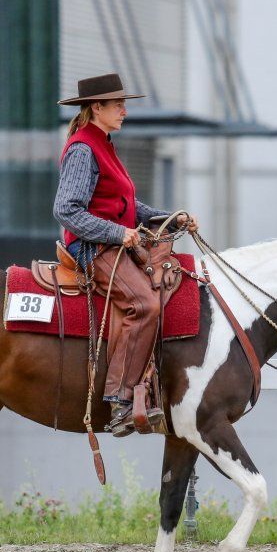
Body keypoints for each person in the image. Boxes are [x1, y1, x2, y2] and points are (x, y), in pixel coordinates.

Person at [54, 73, 198, 437]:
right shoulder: (83, 147)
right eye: (118, 104)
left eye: (124, 103)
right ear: (96, 107)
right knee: (145, 304)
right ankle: (119, 401)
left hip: (112, 242)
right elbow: (67, 210)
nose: (124, 110)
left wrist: (166, 217)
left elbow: (123, 204)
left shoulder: (104, 143)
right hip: (91, 246)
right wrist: (118, 233)